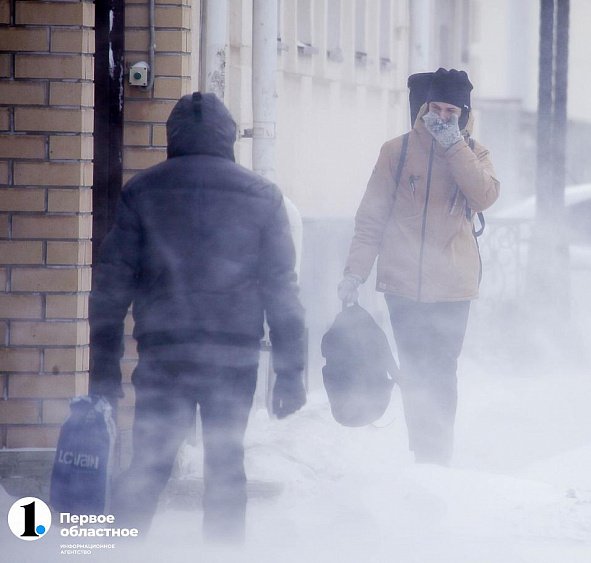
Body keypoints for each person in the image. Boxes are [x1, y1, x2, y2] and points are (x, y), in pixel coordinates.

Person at [88, 92, 307, 542]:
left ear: (173, 138)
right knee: (226, 465)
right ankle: (222, 554)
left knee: (149, 462)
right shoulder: (263, 196)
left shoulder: (142, 191)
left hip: (166, 354)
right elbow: (281, 289)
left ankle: (113, 552)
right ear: (228, 138)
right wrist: (290, 373)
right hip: (233, 356)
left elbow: (110, 290)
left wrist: (104, 375)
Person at [338, 68, 500, 465]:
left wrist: (453, 147)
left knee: (442, 371)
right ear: (424, 108)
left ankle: (438, 453)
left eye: (452, 112)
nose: (443, 118)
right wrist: (353, 273)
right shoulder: (397, 152)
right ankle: (421, 453)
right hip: (403, 285)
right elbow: (371, 217)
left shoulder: (475, 152)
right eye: (436, 109)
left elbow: (484, 195)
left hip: (453, 287)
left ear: (463, 114)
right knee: (414, 369)